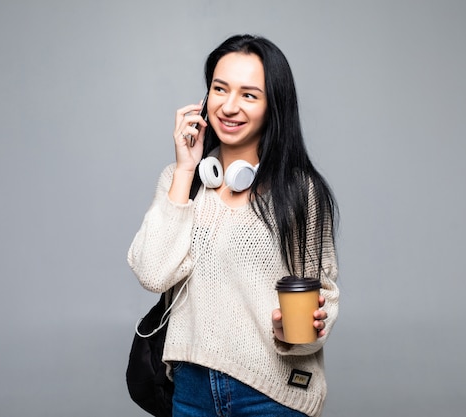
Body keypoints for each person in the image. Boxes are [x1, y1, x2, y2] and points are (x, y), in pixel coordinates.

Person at [128, 34, 339, 417]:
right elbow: (152, 273)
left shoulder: (298, 191)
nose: (228, 106)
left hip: (271, 394)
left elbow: (324, 296)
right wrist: (186, 168)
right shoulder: (183, 182)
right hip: (190, 393)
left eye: (248, 95)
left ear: (273, 106)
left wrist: (293, 336)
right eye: (219, 89)